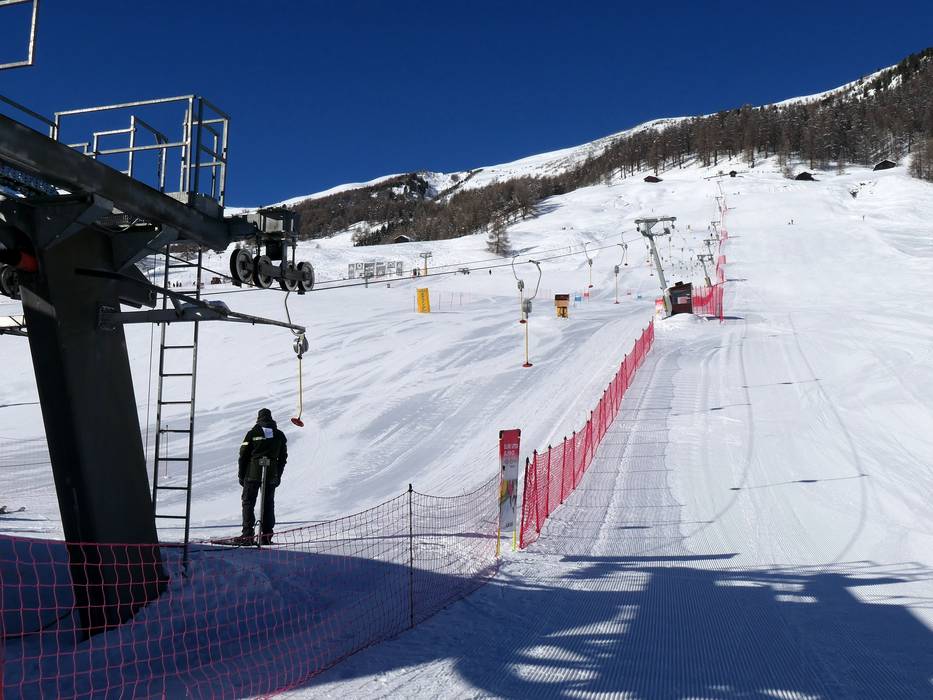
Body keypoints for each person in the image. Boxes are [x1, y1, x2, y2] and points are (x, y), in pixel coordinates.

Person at [237, 408, 288, 544]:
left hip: (252, 473)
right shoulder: (279, 435)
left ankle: (248, 535)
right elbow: (283, 458)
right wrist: (277, 475)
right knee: (268, 504)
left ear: (258, 418)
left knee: (248, 502)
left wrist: (241, 475)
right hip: (271, 474)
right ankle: (266, 536)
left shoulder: (252, 433)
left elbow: (243, 455)